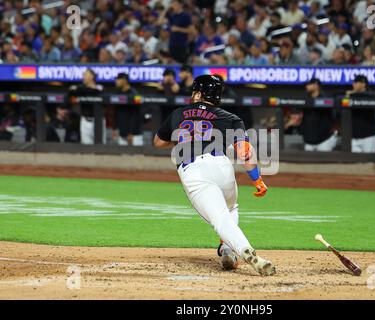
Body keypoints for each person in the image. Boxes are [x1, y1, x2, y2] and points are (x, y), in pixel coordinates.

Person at [153, 75, 276, 276]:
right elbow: (245, 151)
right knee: (230, 208)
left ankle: (248, 252)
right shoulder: (230, 117)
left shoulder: (178, 114)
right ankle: (226, 249)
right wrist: (257, 180)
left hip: (193, 170)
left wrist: (181, 136)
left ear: (199, 93)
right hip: (222, 165)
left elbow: (158, 142)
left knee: (220, 219)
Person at [69, 69, 105, 145]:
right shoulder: (81, 88)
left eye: (85, 75)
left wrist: (80, 89)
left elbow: (96, 91)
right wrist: (81, 89)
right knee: (86, 147)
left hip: (98, 121)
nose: (83, 77)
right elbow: (70, 92)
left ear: (92, 76)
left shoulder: (100, 87)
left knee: (100, 146)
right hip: (85, 120)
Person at [300, 78, 337, 151]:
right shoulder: (305, 99)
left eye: (309, 85)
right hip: (309, 142)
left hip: (324, 141)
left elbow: (333, 116)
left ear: (316, 85)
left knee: (325, 162)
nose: (306, 86)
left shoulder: (326, 99)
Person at [345, 75, 375, 153]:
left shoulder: (371, 95)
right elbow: (343, 106)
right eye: (354, 82)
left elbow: (374, 98)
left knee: (369, 161)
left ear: (363, 84)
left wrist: (354, 94)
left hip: (369, 136)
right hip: (354, 136)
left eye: (357, 82)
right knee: (354, 162)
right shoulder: (350, 95)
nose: (354, 84)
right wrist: (347, 96)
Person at [113, 73, 143, 146]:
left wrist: (131, 133)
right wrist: (115, 128)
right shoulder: (118, 93)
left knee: (137, 156)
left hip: (134, 135)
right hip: (122, 133)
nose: (116, 81)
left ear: (124, 80)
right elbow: (117, 113)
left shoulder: (135, 94)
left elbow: (136, 115)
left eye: (118, 79)